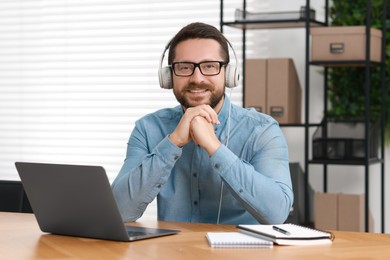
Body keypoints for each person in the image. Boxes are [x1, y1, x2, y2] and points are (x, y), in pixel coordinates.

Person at [112, 22, 293, 225]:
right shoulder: (148, 129)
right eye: (185, 67)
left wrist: (214, 146)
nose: (197, 78)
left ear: (229, 74)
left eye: (209, 66)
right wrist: (173, 142)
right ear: (168, 77)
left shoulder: (262, 130)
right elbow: (119, 211)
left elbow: (277, 213)